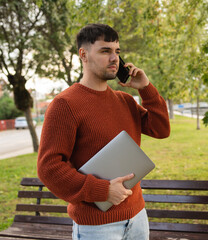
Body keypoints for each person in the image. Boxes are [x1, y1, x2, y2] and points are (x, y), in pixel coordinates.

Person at [37, 23, 170, 240]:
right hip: (97, 227)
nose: (114, 58)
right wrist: (103, 191)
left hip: (137, 217)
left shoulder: (125, 100)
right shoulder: (65, 104)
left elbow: (161, 129)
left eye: (117, 51)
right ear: (84, 54)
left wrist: (145, 88)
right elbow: (49, 168)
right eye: (105, 51)